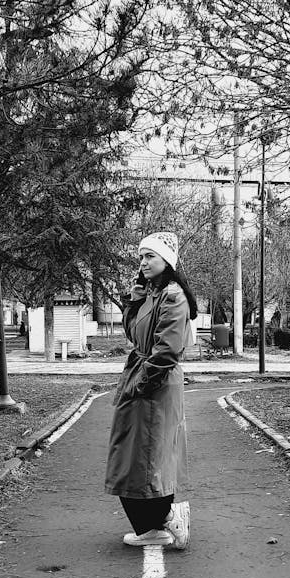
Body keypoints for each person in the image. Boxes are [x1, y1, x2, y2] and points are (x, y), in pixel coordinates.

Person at [105, 231, 198, 549]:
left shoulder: (173, 296)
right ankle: (150, 528)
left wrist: (139, 386)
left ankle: (169, 518)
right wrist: (134, 302)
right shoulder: (152, 294)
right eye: (141, 256)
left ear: (167, 261)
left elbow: (167, 350)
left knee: (148, 457)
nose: (143, 262)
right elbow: (134, 335)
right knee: (132, 456)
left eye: (150, 256)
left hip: (155, 385)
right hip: (142, 378)